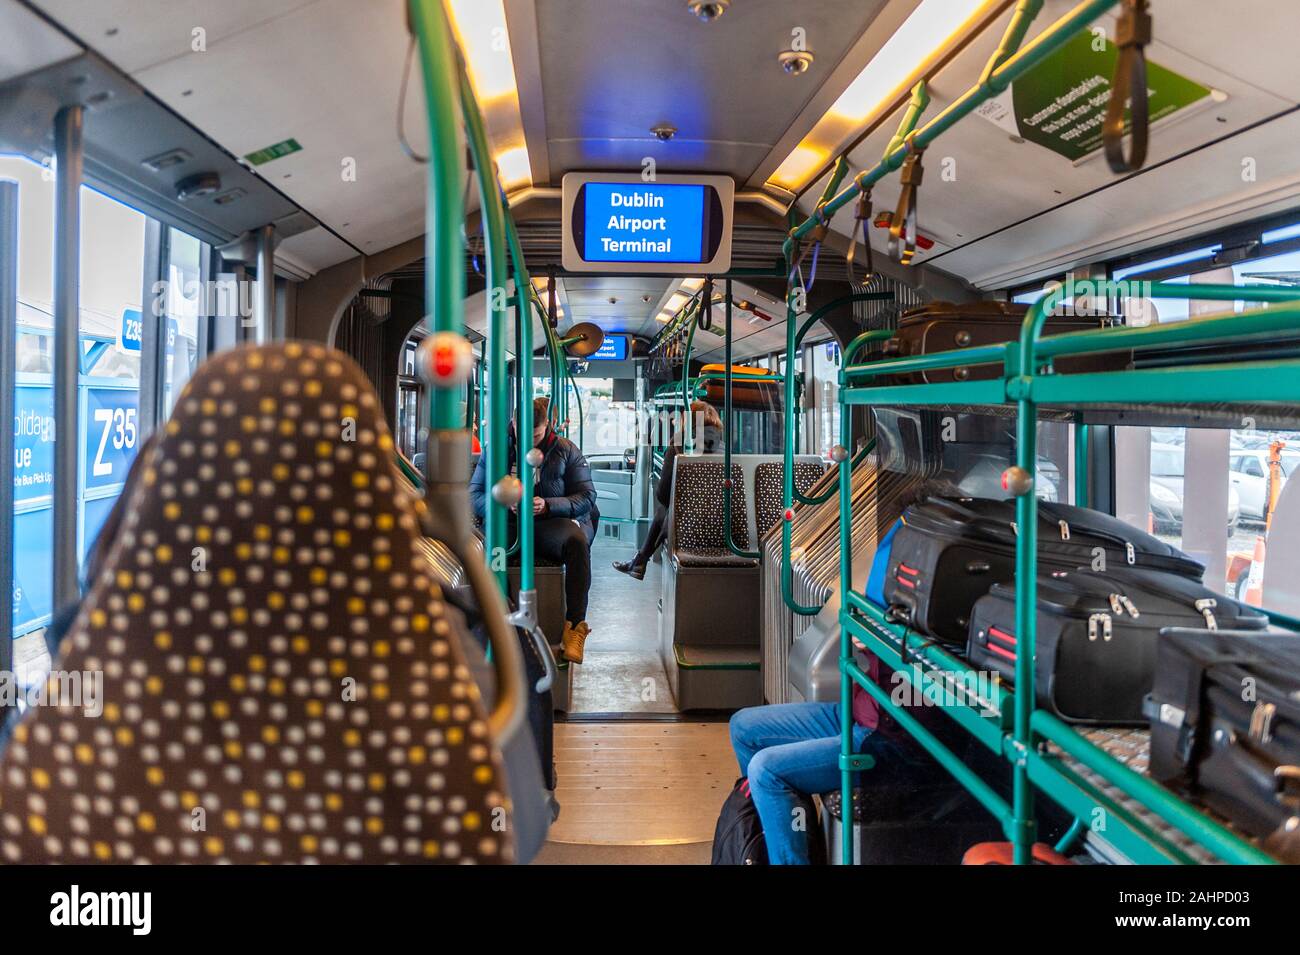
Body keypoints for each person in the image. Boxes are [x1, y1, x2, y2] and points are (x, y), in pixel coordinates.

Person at [728, 640, 919, 865]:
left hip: (890, 738)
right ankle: (769, 849)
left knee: (766, 770)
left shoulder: (935, 626)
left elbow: (913, 683)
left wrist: (873, 642)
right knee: (744, 727)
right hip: (861, 712)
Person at [470, 397, 598, 663]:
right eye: (523, 434)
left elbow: (587, 496)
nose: (530, 442)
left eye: (537, 436)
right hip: (509, 522)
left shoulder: (566, 450)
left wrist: (548, 505)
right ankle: (500, 621)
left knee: (576, 542)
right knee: (489, 545)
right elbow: (474, 495)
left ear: (548, 426)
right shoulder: (496, 449)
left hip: (548, 522)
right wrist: (505, 504)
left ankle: (575, 626)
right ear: (514, 424)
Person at [612, 399, 722, 580]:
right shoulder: (724, 448)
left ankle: (640, 561)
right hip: (720, 518)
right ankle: (639, 561)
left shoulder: (679, 445)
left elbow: (663, 493)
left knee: (664, 509)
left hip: (687, 523)